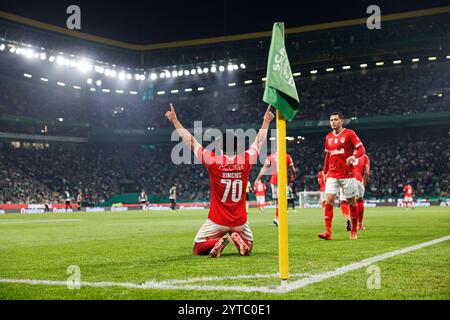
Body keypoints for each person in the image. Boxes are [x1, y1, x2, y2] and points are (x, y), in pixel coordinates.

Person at [165, 103, 274, 258]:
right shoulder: (246, 159)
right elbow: (258, 142)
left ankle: (217, 242)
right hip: (240, 221)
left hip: (217, 220)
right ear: (237, 147)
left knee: (197, 247)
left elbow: (191, 141)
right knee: (250, 245)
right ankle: (239, 240)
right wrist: (266, 121)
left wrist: (175, 121)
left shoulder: (213, 161)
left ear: (220, 147)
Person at [318, 112, 366, 240]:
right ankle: (328, 232)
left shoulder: (349, 133)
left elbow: (362, 150)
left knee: (351, 203)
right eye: (331, 120)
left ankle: (354, 231)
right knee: (328, 201)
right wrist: (324, 171)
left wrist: (353, 156)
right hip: (333, 175)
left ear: (341, 121)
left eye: (335, 119)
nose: (333, 122)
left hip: (348, 175)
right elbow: (328, 155)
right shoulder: (328, 137)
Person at [255, 149, 296, 227]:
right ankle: (277, 217)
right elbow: (292, 168)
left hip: (274, 180)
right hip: (283, 179)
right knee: (283, 200)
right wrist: (294, 175)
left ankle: (277, 217)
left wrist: (257, 178)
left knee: (279, 200)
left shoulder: (270, 157)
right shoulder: (287, 156)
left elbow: (264, 168)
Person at [353, 153, 370, 229]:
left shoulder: (346, 152)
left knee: (346, 202)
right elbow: (367, 173)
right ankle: (359, 225)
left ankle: (348, 219)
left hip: (346, 178)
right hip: (358, 179)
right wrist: (363, 184)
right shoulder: (364, 156)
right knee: (359, 200)